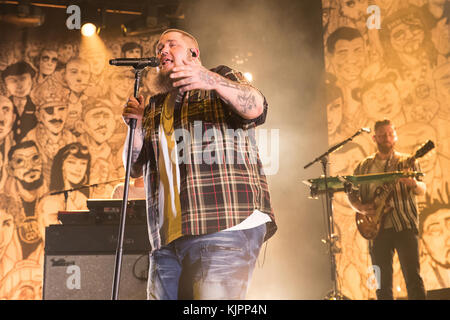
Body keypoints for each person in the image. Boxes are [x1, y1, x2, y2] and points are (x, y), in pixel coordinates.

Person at [122, 28, 276, 300]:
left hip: (223, 225)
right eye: (159, 48)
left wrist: (211, 79)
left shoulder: (220, 79)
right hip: (167, 238)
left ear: (194, 53)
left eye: (172, 44)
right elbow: (133, 168)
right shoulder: (156, 105)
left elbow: (256, 107)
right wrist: (133, 128)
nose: (162, 51)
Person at [347, 119, 427, 300]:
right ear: (374, 138)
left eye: (390, 134)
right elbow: (350, 192)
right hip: (376, 231)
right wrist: (359, 207)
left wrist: (413, 183)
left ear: (396, 135)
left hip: (404, 226)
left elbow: (422, 189)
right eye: (382, 135)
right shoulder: (363, 167)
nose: (386, 138)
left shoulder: (407, 161)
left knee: (413, 279)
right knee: (382, 285)